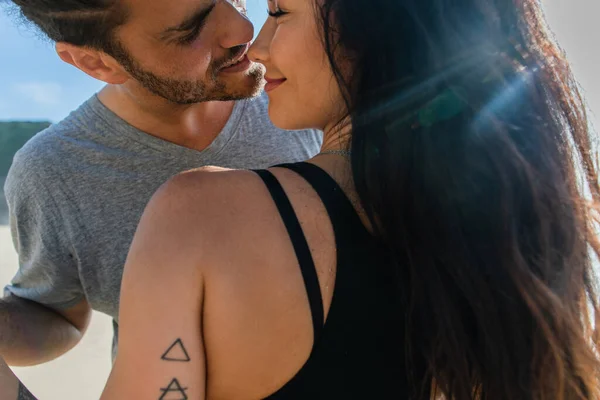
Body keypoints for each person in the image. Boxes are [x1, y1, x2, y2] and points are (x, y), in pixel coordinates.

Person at [102, 0, 600, 398]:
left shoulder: (199, 217)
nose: (256, 48)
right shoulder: (538, 236)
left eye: (278, 12)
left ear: (377, 24)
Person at [0, 0, 322, 367]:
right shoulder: (52, 172)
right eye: (192, 29)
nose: (245, 31)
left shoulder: (307, 94)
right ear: (97, 63)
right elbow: (55, 316)